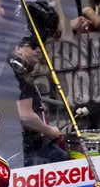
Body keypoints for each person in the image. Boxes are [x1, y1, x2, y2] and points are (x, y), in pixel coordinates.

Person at [7, 35, 68, 166]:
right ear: (19, 49)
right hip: (24, 146)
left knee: (60, 157)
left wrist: (46, 131)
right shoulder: (19, 74)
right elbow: (26, 116)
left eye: (40, 47)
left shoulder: (12, 70)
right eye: (33, 46)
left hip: (27, 141)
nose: (39, 50)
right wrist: (50, 131)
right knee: (61, 162)